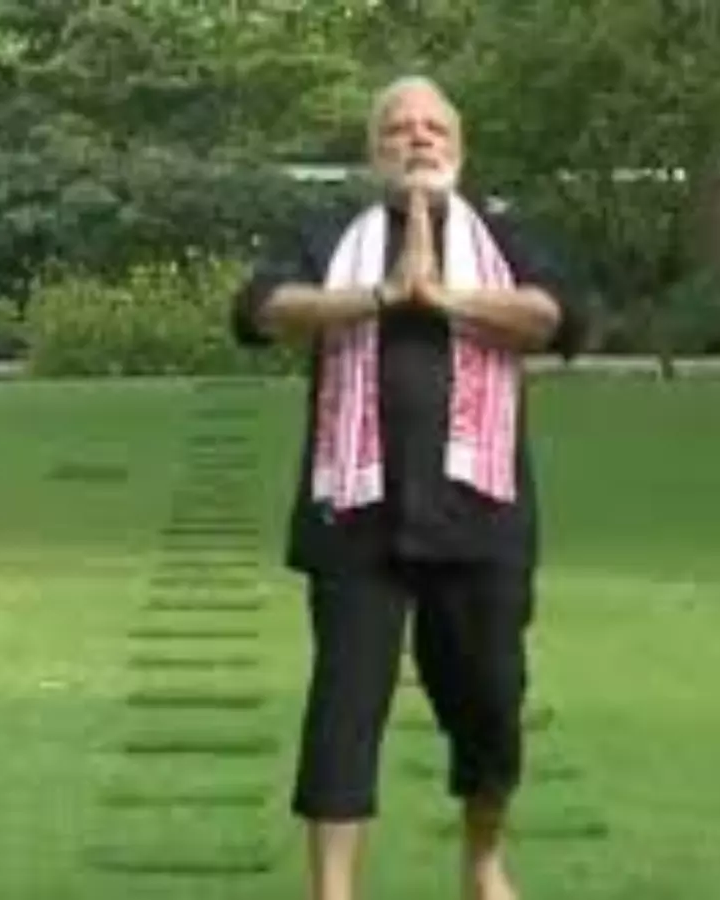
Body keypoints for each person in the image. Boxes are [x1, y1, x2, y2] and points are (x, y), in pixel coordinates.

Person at [229, 75, 585, 900]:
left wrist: (442, 295)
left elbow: (555, 317)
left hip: (481, 515)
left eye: (434, 127)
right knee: (343, 712)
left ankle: (484, 863)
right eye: (399, 128)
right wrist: (381, 294)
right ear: (373, 150)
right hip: (355, 513)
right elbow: (262, 309)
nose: (418, 138)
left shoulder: (506, 237)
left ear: (459, 145)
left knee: (490, 701)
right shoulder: (330, 238)